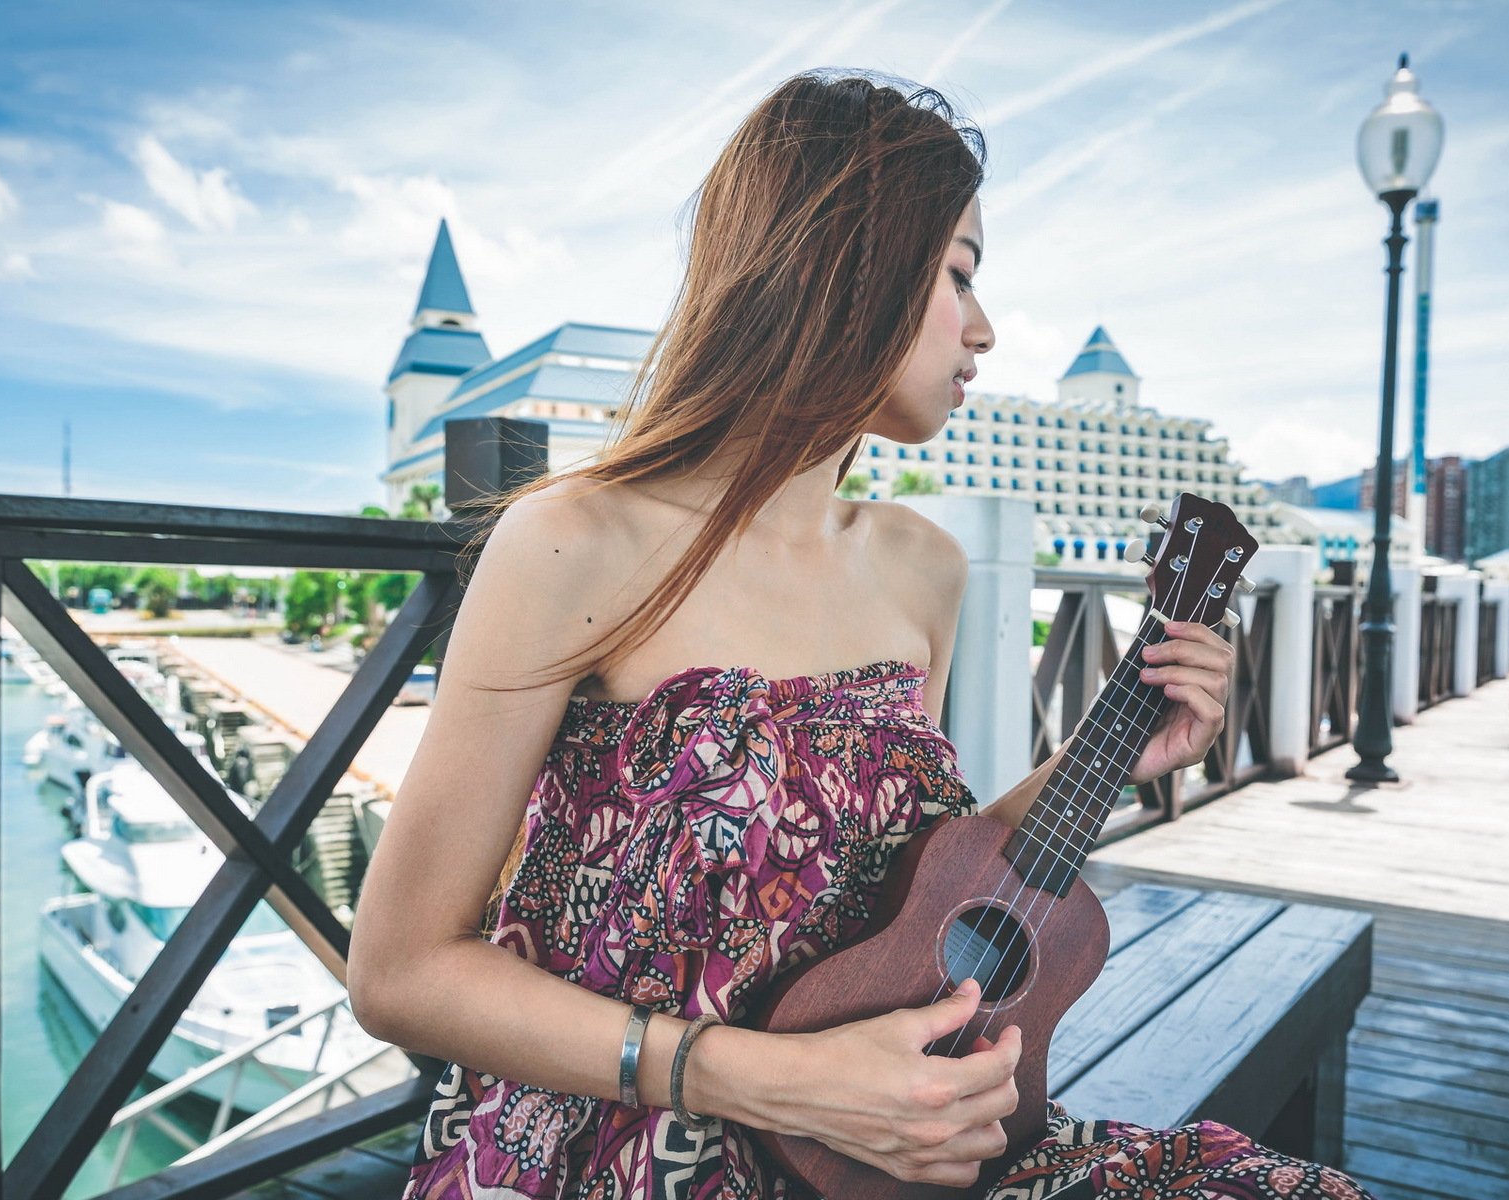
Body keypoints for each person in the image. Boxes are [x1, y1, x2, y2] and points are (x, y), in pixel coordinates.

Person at [348, 69, 1377, 1200]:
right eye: (957, 275)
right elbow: (400, 973)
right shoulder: (572, 542)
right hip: (617, 1154)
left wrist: (1098, 763)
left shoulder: (920, 566)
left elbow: (897, 883)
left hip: (893, 1153)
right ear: (840, 263)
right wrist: (772, 1084)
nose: (982, 330)